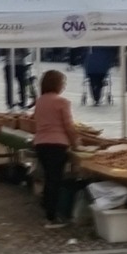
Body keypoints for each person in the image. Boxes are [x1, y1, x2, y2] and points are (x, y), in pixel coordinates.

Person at [29, 68, 81, 225]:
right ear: (57, 84)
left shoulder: (40, 101)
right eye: (63, 82)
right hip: (57, 144)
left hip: (41, 143)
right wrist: (76, 144)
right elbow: (69, 126)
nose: (64, 85)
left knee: (48, 178)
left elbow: (35, 121)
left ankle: (46, 207)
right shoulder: (62, 102)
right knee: (55, 180)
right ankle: (52, 216)